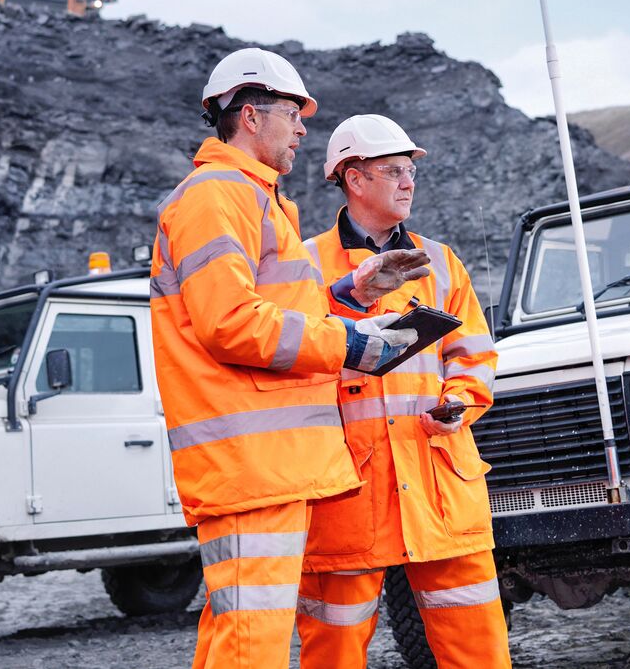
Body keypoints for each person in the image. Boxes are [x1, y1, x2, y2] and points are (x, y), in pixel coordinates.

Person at [150, 50, 431, 669]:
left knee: (238, 636)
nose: (305, 128)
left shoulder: (252, 198)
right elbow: (230, 324)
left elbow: (265, 307)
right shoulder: (217, 196)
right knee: (252, 647)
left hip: (263, 466)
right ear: (249, 116)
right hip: (251, 466)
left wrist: (352, 294)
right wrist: (352, 344)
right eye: (294, 114)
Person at [296, 114, 509, 669]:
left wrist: (458, 404)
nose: (409, 181)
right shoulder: (303, 265)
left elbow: (475, 355)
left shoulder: (440, 261)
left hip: (436, 475)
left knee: (477, 644)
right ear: (354, 179)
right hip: (348, 487)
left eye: (411, 170)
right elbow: (290, 356)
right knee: (334, 649)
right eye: (394, 170)